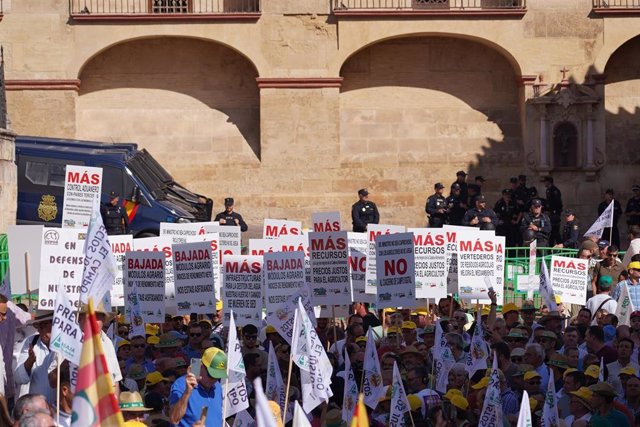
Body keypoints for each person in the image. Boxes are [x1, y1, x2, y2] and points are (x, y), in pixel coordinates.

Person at [168, 347, 227, 427]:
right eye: (211, 375)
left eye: (218, 376)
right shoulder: (181, 384)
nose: (214, 379)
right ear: (201, 366)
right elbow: (174, 419)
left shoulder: (217, 387)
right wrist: (187, 392)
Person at [15, 311, 57, 403]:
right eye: (37, 326)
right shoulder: (31, 342)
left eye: (42, 326)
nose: (39, 330)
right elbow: (18, 378)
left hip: (59, 409)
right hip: (37, 408)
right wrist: (29, 362)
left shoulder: (66, 345)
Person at [542, 176, 563, 245]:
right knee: (551, 231)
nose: (544, 183)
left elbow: (557, 203)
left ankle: (561, 246)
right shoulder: (548, 190)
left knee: (555, 231)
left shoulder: (554, 190)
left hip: (555, 214)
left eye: (545, 181)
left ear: (549, 182)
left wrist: (554, 211)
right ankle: (551, 247)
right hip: (550, 213)